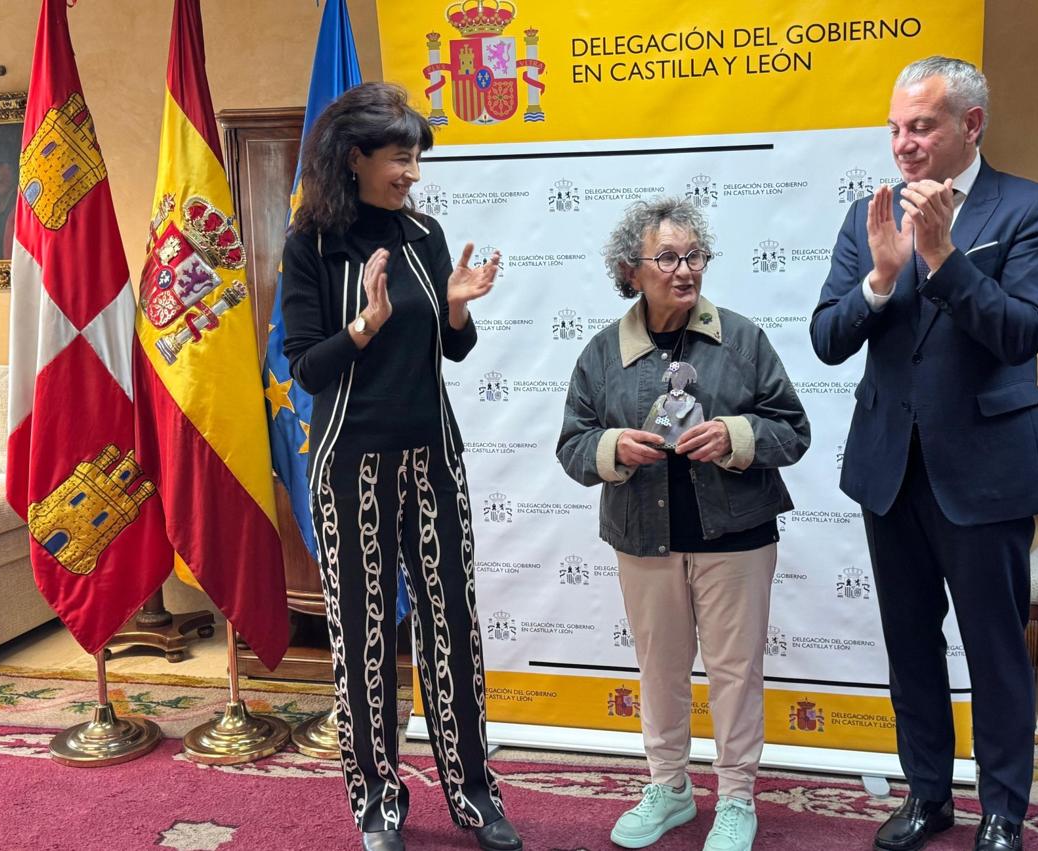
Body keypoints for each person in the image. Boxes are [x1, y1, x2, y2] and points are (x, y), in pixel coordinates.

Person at [810, 56, 1038, 851]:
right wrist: (882, 279)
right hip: (891, 470)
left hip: (987, 473)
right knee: (910, 644)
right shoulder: (867, 215)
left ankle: (1002, 810)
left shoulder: (1032, 208)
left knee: (995, 650)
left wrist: (943, 258)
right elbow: (826, 338)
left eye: (921, 126)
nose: (904, 144)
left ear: (971, 125)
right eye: (895, 127)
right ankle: (927, 796)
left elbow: (1022, 332)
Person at [281, 82, 522, 851]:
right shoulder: (311, 245)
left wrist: (455, 307)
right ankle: (378, 802)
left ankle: (474, 794)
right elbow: (307, 370)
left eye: (417, 158)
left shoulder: (426, 233)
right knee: (362, 633)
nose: (413, 172)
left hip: (433, 462)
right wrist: (363, 325)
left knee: (454, 627)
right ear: (355, 158)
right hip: (350, 466)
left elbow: (454, 350)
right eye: (400, 157)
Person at [557, 197, 810, 851]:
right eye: (667, 257)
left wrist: (737, 433)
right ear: (630, 270)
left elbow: (794, 431)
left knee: (735, 671)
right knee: (660, 670)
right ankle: (669, 788)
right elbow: (572, 445)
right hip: (644, 537)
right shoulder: (602, 354)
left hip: (739, 536)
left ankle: (734, 798)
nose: (685, 269)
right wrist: (613, 449)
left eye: (694, 254)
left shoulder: (743, 338)